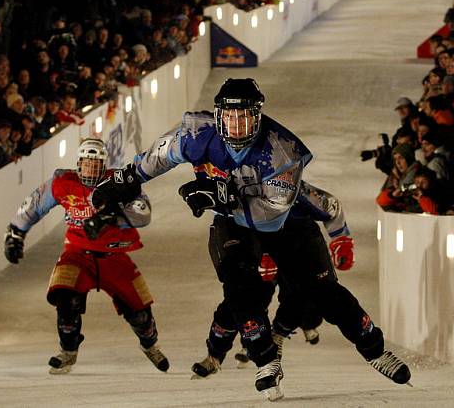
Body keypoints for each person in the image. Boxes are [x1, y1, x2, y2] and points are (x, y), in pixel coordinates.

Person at [90, 78, 410, 400]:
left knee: (322, 292)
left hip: (287, 221)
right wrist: (127, 178)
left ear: (257, 116)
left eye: (244, 117)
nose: (237, 125)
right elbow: (161, 155)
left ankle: (374, 350)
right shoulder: (197, 133)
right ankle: (266, 359)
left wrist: (222, 197)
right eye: (230, 117)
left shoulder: (283, 151)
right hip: (233, 223)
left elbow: (270, 219)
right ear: (218, 116)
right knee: (238, 288)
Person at [3, 138, 168, 375]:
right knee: (65, 300)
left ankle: (150, 345)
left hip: (114, 254)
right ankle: (68, 351)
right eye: (86, 163)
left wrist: (109, 218)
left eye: (96, 164)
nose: (90, 169)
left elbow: (144, 214)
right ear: (78, 163)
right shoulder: (62, 182)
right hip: (77, 253)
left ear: (104, 165)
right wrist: (16, 232)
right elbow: (34, 204)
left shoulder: (119, 181)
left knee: (140, 313)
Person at [190, 181, 354, 378]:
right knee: (241, 298)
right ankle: (216, 354)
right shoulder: (240, 190)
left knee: (300, 294)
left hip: (291, 244)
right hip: (252, 247)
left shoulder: (292, 188)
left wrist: (341, 240)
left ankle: (278, 335)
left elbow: (329, 205)